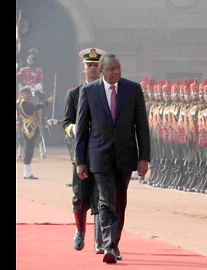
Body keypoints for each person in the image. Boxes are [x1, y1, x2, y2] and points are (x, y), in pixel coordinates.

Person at [75, 53, 150, 264]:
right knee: (106, 200)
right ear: (101, 71)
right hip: (99, 156)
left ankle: (115, 244)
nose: (115, 72)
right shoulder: (89, 91)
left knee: (120, 201)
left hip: (126, 156)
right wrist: (80, 160)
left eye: (118, 68)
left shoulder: (132, 89)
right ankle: (108, 245)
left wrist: (144, 158)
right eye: (111, 69)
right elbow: (81, 128)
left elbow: (141, 126)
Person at [62, 48, 106, 253]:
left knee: (101, 197)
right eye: (89, 66)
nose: (92, 69)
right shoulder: (74, 94)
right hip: (80, 154)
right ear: (84, 68)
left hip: (102, 152)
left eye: (96, 66)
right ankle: (80, 232)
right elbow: (66, 122)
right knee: (80, 197)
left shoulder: (106, 93)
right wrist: (75, 129)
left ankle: (99, 240)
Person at [17, 86, 53, 179]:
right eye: (27, 93)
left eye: (29, 93)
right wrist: (47, 102)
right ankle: (27, 173)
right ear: (23, 94)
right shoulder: (24, 103)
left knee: (30, 151)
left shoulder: (28, 102)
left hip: (33, 128)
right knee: (28, 151)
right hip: (29, 129)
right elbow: (33, 108)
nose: (29, 95)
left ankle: (28, 173)